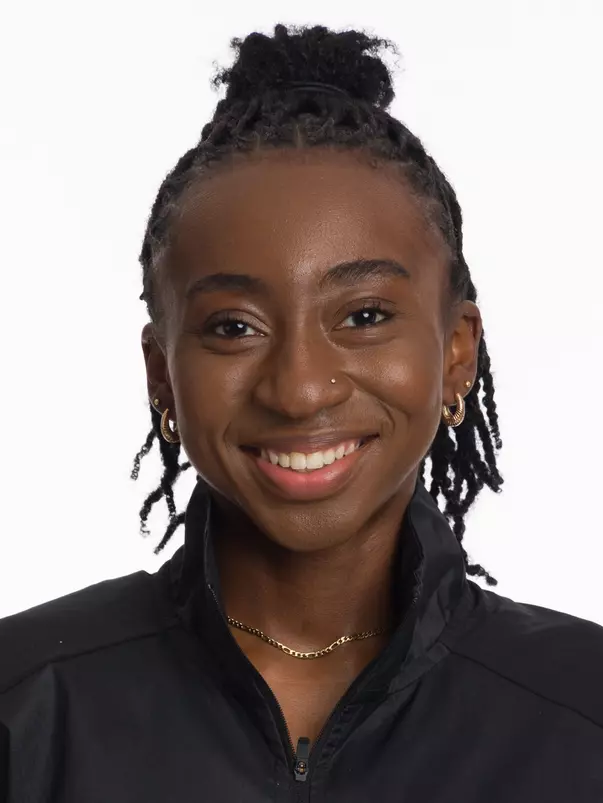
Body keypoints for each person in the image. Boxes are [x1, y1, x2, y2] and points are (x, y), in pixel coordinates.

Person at [1, 23, 602, 803]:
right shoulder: (25, 705)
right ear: (162, 374)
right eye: (233, 327)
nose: (299, 388)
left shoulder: (581, 714)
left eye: (362, 316)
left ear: (456, 352)